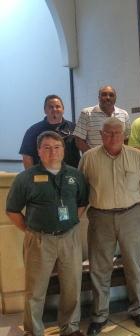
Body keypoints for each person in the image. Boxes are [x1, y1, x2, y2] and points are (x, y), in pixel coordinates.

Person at [6, 131, 88, 336]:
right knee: (35, 291)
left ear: (63, 150)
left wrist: (70, 223)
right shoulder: (26, 178)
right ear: (39, 151)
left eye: (57, 147)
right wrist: (30, 230)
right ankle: (33, 331)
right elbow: (12, 210)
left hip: (69, 238)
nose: (53, 152)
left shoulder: (74, 175)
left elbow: (81, 203)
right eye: (47, 147)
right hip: (39, 240)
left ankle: (70, 328)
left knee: (71, 287)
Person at [79, 118, 140, 335]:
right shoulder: (89, 158)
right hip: (100, 218)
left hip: (131, 216)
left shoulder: (136, 156)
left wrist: (132, 201)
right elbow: (81, 192)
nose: (113, 137)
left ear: (124, 135)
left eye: (117, 133)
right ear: (101, 135)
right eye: (108, 133)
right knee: (100, 268)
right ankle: (100, 314)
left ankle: (138, 309)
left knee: (133, 264)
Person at [20, 95, 80, 168]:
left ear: (63, 109)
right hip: (43, 176)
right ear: (45, 110)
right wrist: (30, 177)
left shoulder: (74, 128)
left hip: (70, 176)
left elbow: (84, 151)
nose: (54, 109)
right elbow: (27, 156)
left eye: (58, 106)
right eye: (51, 107)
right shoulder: (33, 131)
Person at [74, 85, 131, 152]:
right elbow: (79, 140)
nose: (108, 97)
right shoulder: (86, 113)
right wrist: (92, 156)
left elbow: (127, 138)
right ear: (99, 97)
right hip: (95, 160)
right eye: (104, 95)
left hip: (119, 159)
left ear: (115, 98)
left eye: (111, 95)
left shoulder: (124, 114)